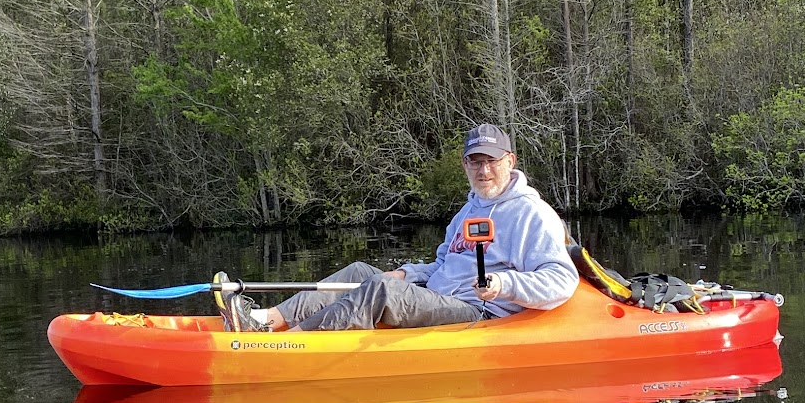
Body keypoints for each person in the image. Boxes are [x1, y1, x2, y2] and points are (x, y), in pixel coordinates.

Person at [215, 123, 579, 333]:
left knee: (380, 292)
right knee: (361, 271)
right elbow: (443, 265)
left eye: (491, 162)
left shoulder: (533, 214)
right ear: (464, 164)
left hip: (477, 312)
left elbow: (561, 281)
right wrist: (409, 271)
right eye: (474, 162)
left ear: (509, 161)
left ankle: (287, 345)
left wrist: (503, 284)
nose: (483, 170)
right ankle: (263, 319)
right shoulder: (469, 210)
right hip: (439, 295)